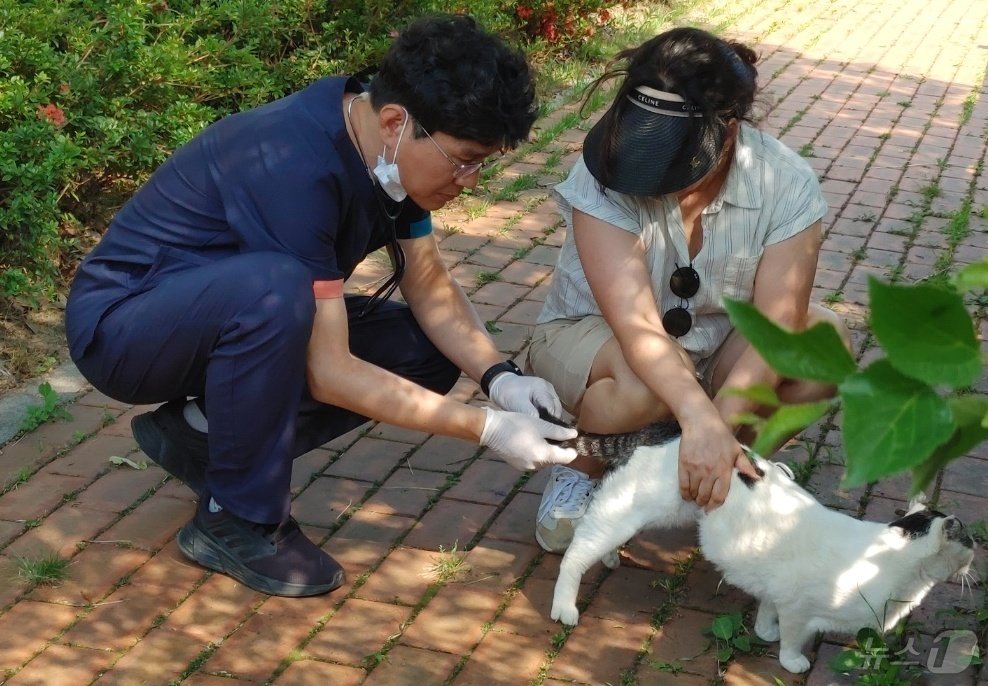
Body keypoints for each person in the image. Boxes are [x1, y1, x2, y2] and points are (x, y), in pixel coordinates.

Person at [65, 14, 577, 597]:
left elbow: (429, 282)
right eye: (463, 159)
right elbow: (327, 369)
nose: (472, 179)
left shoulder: (383, 151)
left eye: (483, 162)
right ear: (395, 123)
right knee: (276, 289)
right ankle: (236, 518)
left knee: (424, 350)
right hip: (125, 329)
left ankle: (202, 437)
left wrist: (499, 378)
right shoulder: (293, 164)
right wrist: (485, 427)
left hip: (226, 311)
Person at [528, 27, 848, 553]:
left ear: (729, 130)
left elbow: (774, 329)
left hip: (716, 349)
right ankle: (582, 473)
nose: (654, 171)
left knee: (824, 344)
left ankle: (719, 466)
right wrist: (699, 417)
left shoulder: (785, 182)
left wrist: (712, 430)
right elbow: (636, 328)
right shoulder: (601, 168)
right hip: (599, 337)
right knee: (646, 383)